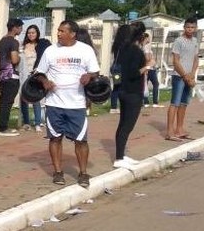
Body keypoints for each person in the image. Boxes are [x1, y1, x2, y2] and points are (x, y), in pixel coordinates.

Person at [35, 20, 101, 188]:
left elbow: (95, 71)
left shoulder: (85, 50)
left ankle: (83, 173)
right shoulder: (50, 51)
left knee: (81, 140)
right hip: (54, 103)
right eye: (58, 30)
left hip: (77, 104)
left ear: (72, 34)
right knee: (55, 138)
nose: (58, 34)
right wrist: (45, 82)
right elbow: (40, 73)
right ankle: (58, 171)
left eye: (62, 31)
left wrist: (89, 76)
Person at [110, 24, 148, 168]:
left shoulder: (119, 50)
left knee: (122, 124)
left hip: (121, 90)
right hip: (133, 92)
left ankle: (121, 155)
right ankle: (119, 158)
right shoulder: (135, 51)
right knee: (127, 125)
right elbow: (133, 73)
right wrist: (147, 66)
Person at [167, 17, 198, 141]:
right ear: (184, 28)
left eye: (192, 27)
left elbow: (195, 59)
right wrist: (185, 75)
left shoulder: (195, 41)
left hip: (189, 76)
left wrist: (192, 74)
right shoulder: (178, 41)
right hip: (179, 76)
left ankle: (179, 128)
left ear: (195, 28)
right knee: (175, 102)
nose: (190, 30)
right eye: (188, 27)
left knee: (184, 103)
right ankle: (169, 131)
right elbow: (176, 61)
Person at [0, 18, 23, 136]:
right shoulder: (14, 42)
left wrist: (0, 67)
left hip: (2, 75)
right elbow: (14, 59)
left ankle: (2, 125)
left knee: (3, 100)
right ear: (15, 27)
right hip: (11, 75)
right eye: (20, 27)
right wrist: (20, 57)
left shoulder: (2, 40)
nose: (21, 30)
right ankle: (3, 128)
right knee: (8, 101)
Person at [19, 24, 44, 132]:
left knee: (35, 99)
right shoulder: (23, 45)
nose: (31, 35)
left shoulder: (40, 45)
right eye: (29, 33)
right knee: (23, 98)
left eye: (33, 32)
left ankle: (38, 123)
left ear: (37, 33)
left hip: (34, 76)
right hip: (24, 74)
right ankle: (26, 122)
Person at [138, 31, 160, 107]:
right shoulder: (145, 47)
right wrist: (151, 59)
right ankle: (150, 102)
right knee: (149, 84)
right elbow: (147, 58)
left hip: (150, 68)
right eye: (148, 38)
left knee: (149, 84)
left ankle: (150, 102)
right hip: (148, 69)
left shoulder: (147, 47)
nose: (149, 39)